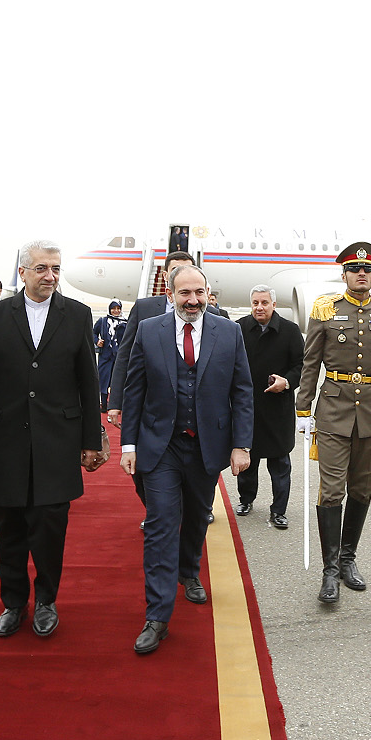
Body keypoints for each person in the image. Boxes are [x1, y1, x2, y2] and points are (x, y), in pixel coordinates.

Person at [120, 263, 252, 654]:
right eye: (184, 294)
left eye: (199, 293)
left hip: (207, 446)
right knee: (161, 523)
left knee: (197, 516)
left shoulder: (229, 332)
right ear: (171, 296)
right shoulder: (149, 331)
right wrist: (129, 444)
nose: (192, 301)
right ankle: (157, 616)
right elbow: (134, 389)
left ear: (208, 293)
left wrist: (241, 444)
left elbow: (242, 391)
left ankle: (189, 570)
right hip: (160, 446)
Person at [0, 240, 104, 641]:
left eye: (55, 269)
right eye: (42, 269)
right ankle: (14, 603)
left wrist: (91, 440)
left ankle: (46, 600)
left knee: (50, 528)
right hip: (7, 440)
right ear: (23, 272)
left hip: (58, 440)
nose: (50, 276)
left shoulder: (77, 314)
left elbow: (88, 380)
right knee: (9, 529)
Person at [295, 243, 371, 602]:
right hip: (332, 411)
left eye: (368, 269)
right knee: (332, 490)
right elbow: (311, 362)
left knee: (361, 489)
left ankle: (348, 559)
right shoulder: (326, 309)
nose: (362, 274)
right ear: (343, 274)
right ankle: (329, 570)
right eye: (355, 268)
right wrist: (302, 408)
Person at [107, 251, 197, 509]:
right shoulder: (145, 308)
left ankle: (184, 511)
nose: (181, 274)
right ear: (166, 276)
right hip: (151, 406)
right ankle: (157, 510)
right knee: (145, 468)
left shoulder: (207, 312)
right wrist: (116, 402)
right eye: (176, 269)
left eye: (186, 269)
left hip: (190, 411)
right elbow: (125, 356)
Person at [236, 285, 304, 528]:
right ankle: (246, 499)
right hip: (247, 408)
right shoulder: (240, 328)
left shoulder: (290, 330)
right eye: (255, 303)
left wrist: (286, 382)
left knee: (280, 464)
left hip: (277, 409)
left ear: (273, 305)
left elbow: (301, 365)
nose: (259, 307)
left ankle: (279, 510)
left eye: (264, 302)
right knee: (247, 461)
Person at [95, 300, 127, 409]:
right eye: (113, 308)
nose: (116, 311)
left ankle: (115, 406)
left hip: (119, 357)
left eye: (118, 308)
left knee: (117, 381)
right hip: (106, 356)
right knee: (104, 381)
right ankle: (103, 404)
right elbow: (93, 332)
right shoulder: (103, 321)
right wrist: (97, 341)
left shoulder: (125, 322)